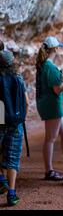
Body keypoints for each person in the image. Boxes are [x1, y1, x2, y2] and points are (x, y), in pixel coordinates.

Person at [36, 37, 63, 181]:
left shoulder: (44, 65)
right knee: (50, 138)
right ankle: (49, 171)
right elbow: (58, 89)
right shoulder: (49, 67)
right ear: (55, 49)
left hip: (50, 105)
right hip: (53, 106)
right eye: (58, 47)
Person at [0, 51, 28, 207]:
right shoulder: (18, 78)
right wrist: (21, 117)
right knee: (13, 157)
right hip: (16, 121)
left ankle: (1, 179)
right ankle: (11, 193)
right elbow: (27, 101)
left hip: (0, 119)